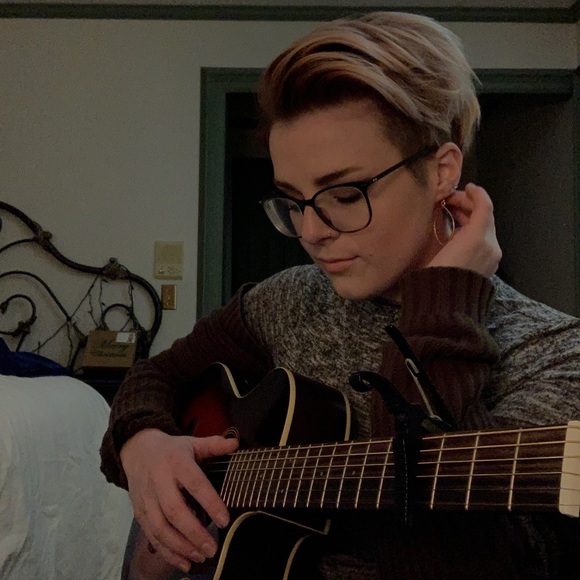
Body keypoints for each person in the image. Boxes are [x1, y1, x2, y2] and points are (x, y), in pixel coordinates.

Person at [101, 11, 580, 580]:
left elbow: (457, 559)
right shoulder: (290, 299)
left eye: (346, 194)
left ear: (442, 172)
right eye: (293, 200)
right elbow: (155, 375)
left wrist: (444, 305)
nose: (310, 232)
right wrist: (143, 443)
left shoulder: (555, 357)